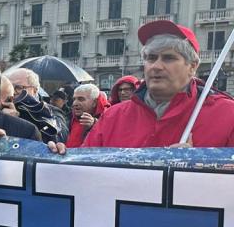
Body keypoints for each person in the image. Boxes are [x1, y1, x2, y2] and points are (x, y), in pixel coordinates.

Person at [78, 21, 234, 148]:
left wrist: (196, 165)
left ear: (192, 66)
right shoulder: (113, 116)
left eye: (168, 58)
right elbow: (83, 171)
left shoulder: (228, 115)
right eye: (151, 58)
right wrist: (60, 155)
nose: (156, 66)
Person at [65, 83, 109, 147]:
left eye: (81, 99)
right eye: (74, 99)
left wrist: (94, 125)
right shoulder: (69, 118)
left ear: (94, 102)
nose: (75, 103)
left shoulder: (109, 117)